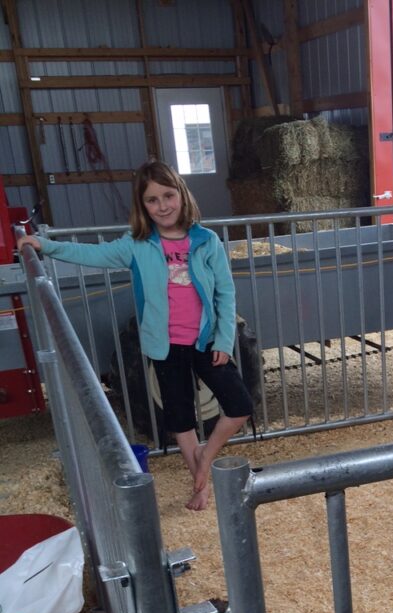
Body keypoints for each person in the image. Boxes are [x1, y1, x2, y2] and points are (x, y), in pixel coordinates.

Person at [17, 160, 253, 512]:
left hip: (204, 342)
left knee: (239, 407)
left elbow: (225, 293)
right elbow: (91, 253)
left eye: (168, 195)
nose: (162, 206)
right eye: (152, 200)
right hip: (165, 346)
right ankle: (200, 486)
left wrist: (222, 340)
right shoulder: (137, 244)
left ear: (181, 195)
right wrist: (46, 246)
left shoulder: (206, 241)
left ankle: (206, 457)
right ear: (143, 206)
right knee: (181, 418)